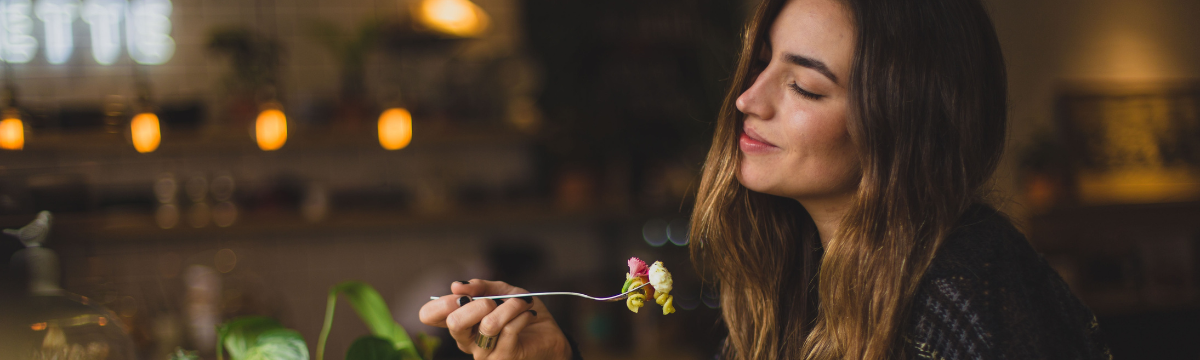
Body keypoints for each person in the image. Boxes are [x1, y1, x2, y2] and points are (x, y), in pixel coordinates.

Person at [419, 0, 1112, 358]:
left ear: (902, 128)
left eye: (805, 87)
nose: (750, 99)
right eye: (764, 64)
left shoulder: (960, 300)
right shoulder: (800, 274)